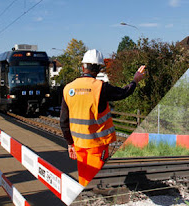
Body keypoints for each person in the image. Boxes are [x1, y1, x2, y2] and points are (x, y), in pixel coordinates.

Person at [60, 49, 146, 186]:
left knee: (83, 178)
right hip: (97, 145)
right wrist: (135, 80)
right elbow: (123, 92)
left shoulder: (68, 88)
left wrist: (70, 143)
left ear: (83, 66)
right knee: (96, 179)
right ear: (99, 69)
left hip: (78, 144)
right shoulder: (101, 88)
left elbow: (63, 121)